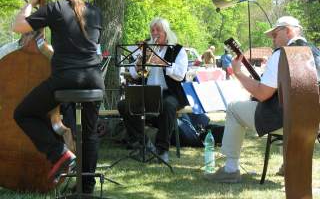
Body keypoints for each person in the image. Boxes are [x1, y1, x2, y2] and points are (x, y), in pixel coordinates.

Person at [12, 0, 104, 194]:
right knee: (89, 134)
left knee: (23, 113)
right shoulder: (95, 12)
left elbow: (18, 26)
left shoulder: (54, 9)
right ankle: (87, 188)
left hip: (66, 79)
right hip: (94, 80)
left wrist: (30, 4)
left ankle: (58, 153)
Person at [204, 16, 310, 183]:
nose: (273, 40)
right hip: (312, 124)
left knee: (233, 108)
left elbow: (262, 94)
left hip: (283, 122)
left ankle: (231, 169)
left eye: (275, 34)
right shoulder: (316, 53)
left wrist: (238, 73)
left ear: (288, 30)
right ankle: (289, 164)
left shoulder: (281, 55)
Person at [117, 17, 189, 163]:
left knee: (168, 105)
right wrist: (137, 66)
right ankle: (145, 145)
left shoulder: (177, 50)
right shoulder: (146, 49)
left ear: (166, 32)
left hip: (170, 92)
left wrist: (162, 63)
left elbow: (180, 74)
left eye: (158, 30)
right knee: (123, 105)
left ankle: (162, 150)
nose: (154, 33)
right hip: (147, 91)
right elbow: (132, 73)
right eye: (152, 30)